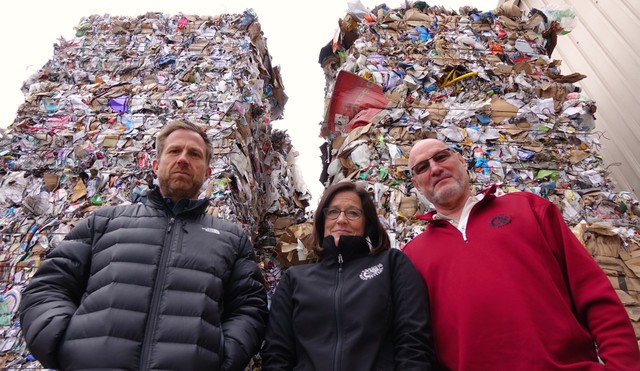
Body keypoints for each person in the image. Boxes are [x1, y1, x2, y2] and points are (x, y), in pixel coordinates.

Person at [19, 120, 268, 371]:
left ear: (207, 172)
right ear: (156, 165)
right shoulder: (105, 222)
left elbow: (249, 309)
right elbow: (49, 286)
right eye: (174, 151)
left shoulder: (231, 238)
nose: (183, 159)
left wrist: (223, 359)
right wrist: (63, 344)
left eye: (194, 154)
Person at [405, 138, 640, 370]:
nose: (435, 168)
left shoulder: (528, 208)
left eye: (441, 157)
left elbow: (593, 292)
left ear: (461, 160)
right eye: (423, 168)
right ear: (416, 185)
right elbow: (417, 344)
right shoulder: (413, 256)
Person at [261, 181, 435, 370]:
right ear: (322, 221)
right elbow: (276, 353)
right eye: (333, 212)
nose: (341, 220)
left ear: (367, 224)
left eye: (353, 213)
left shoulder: (392, 265)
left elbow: (413, 342)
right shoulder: (294, 279)